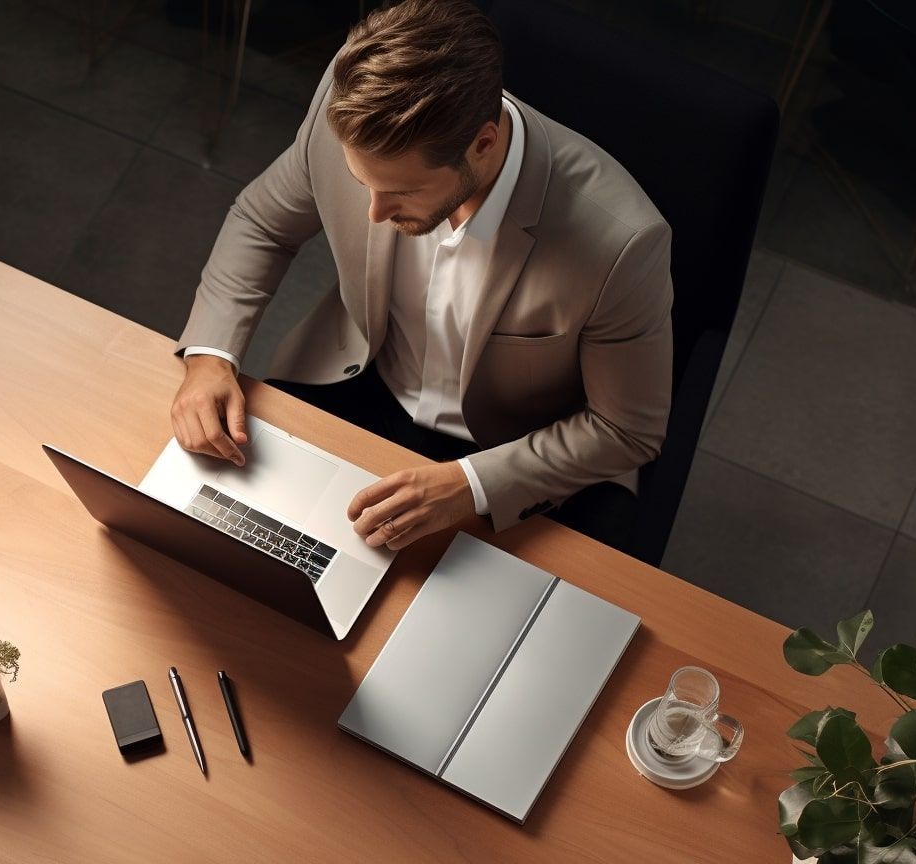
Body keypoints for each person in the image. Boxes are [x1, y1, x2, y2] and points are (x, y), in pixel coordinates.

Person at [170, 0, 673, 554]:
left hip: (514, 454)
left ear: (483, 144)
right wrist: (210, 356)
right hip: (356, 382)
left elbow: (625, 429)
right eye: (363, 184)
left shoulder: (622, 242)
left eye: (402, 192)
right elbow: (263, 222)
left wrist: (471, 484)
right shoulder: (350, 106)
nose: (374, 214)